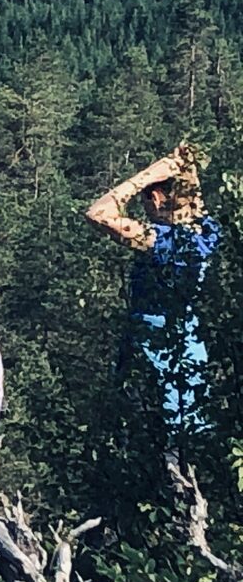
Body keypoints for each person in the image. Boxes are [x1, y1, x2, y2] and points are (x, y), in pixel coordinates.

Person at [84, 142, 218, 430]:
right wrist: (186, 168)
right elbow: (194, 205)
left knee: (147, 439)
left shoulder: (162, 241)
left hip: (153, 355)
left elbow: (99, 214)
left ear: (156, 199)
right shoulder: (207, 235)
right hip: (191, 354)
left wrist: (144, 177)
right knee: (190, 439)